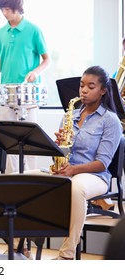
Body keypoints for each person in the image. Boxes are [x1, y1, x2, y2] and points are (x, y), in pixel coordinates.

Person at [38, 66, 122, 259]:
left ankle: (67, 254)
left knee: (77, 188)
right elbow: (59, 156)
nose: (83, 90)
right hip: (69, 171)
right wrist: (58, 147)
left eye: (90, 86)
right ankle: (20, 245)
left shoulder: (110, 121)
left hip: (95, 176)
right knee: (28, 178)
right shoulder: (70, 115)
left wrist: (73, 170)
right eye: (82, 85)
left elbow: (102, 163)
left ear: (103, 90)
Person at [0, 0, 51, 173]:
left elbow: (47, 60)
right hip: (6, 94)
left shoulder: (33, 30)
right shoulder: (1, 33)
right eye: (2, 9)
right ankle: (10, 179)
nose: (5, 13)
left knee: (30, 139)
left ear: (18, 8)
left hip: (28, 94)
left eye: (8, 9)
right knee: (7, 140)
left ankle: (31, 178)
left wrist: (36, 72)